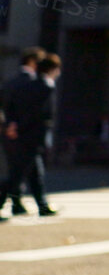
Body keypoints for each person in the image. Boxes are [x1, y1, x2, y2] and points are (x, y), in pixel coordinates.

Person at [3, 50, 59, 217]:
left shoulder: (12, 81)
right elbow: (36, 113)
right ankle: (34, 205)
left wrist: (8, 125)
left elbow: (7, 105)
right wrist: (17, 126)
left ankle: (34, 205)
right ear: (32, 61)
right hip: (26, 135)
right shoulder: (37, 84)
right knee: (18, 173)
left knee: (31, 171)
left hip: (12, 133)